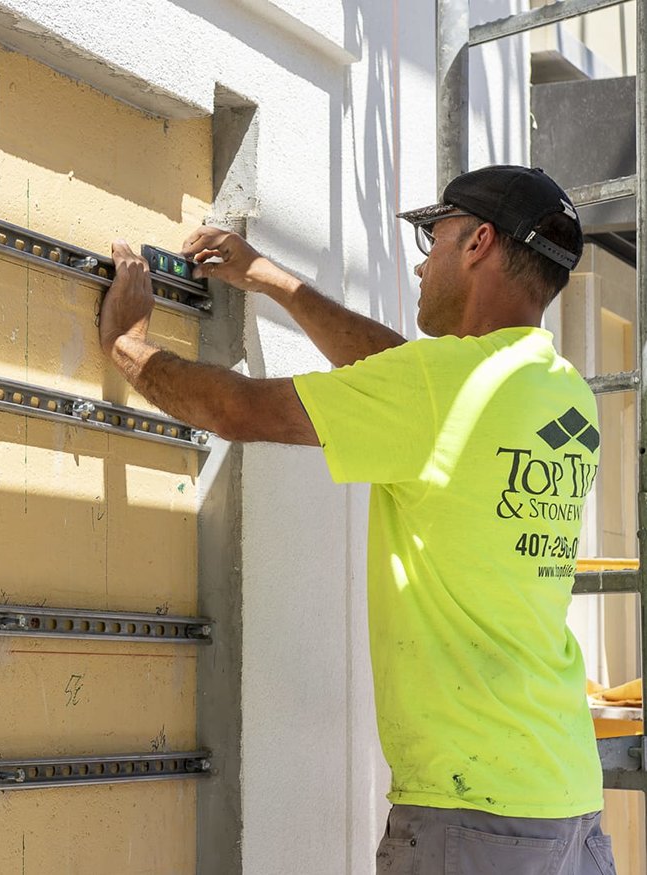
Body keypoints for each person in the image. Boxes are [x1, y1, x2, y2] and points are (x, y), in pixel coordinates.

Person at [99, 165, 616, 874]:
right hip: (565, 797)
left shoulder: (438, 388)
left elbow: (239, 410)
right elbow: (397, 374)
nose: (420, 261)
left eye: (433, 240)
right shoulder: (555, 391)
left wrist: (127, 343)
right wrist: (270, 280)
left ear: (477, 243)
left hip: (476, 812)